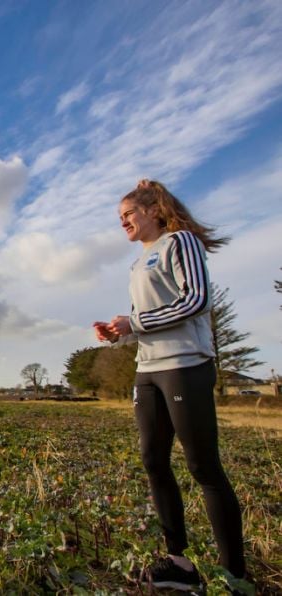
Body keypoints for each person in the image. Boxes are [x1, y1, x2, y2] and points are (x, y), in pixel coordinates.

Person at [93, 180, 245, 590]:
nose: (122, 222)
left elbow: (195, 300)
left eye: (128, 214)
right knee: (153, 461)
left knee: (202, 466)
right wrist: (118, 332)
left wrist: (135, 323)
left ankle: (235, 575)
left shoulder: (180, 242)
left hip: (184, 365)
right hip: (148, 369)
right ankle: (179, 564)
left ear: (154, 211)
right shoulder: (138, 261)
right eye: (119, 218)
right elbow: (143, 317)